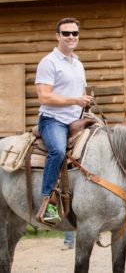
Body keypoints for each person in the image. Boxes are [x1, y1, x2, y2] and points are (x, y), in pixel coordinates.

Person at [35, 17, 93, 225]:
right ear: (57, 36)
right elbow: (44, 97)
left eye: (74, 33)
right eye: (66, 33)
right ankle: (48, 202)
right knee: (58, 150)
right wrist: (74, 100)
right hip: (54, 120)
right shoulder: (48, 62)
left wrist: (84, 103)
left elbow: (81, 92)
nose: (71, 37)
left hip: (77, 119)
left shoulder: (78, 63)